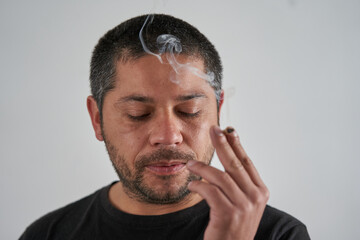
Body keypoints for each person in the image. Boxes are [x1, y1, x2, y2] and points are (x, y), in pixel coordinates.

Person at [20, 14, 310, 240]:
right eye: (137, 114)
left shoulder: (277, 234)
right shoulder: (48, 234)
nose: (169, 136)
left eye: (190, 111)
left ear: (218, 112)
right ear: (97, 119)